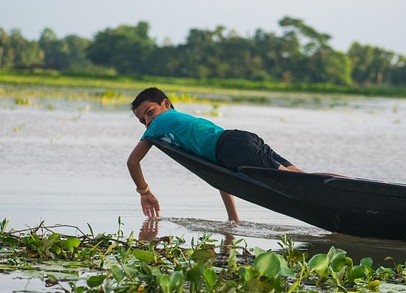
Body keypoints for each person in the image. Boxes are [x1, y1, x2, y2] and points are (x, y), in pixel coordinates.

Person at [127, 87, 302, 223]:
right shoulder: (183, 128)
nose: (148, 121)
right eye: (142, 120)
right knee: (299, 176)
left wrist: (144, 192)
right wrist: (233, 218)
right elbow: (221, 178)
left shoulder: (161, 121)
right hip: (239, 141)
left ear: (166, 104)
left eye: (150, 112)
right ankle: (329, 182)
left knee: (288, 180)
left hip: (232, 146)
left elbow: (133, 162)